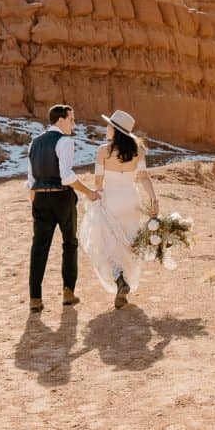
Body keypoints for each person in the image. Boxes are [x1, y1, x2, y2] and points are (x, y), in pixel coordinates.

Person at [79, 109, 159, 310]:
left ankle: (119, 278)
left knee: (109, 241)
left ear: (115, 130)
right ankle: (124, 279)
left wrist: (97, 195)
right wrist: (153, 199)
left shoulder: (103, 151)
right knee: (129, 239)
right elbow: (143, 177)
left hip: (112, 198)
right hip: (131, 199)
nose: (106, 128)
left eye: (109, 125)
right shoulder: (137, 150)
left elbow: (98, 181)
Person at [26, 104, 99, 313]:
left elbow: (30, 179)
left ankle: (35, 299)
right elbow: (66, 176)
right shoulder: (65, 141)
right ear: (60, 120)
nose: (74, 124)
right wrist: (89, 193)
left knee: (38, 248)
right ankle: (68, 292)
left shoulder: (34, 143)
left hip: (40, 198)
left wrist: (36, 202)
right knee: (70, 243)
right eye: (71, 119)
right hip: (61, 198)